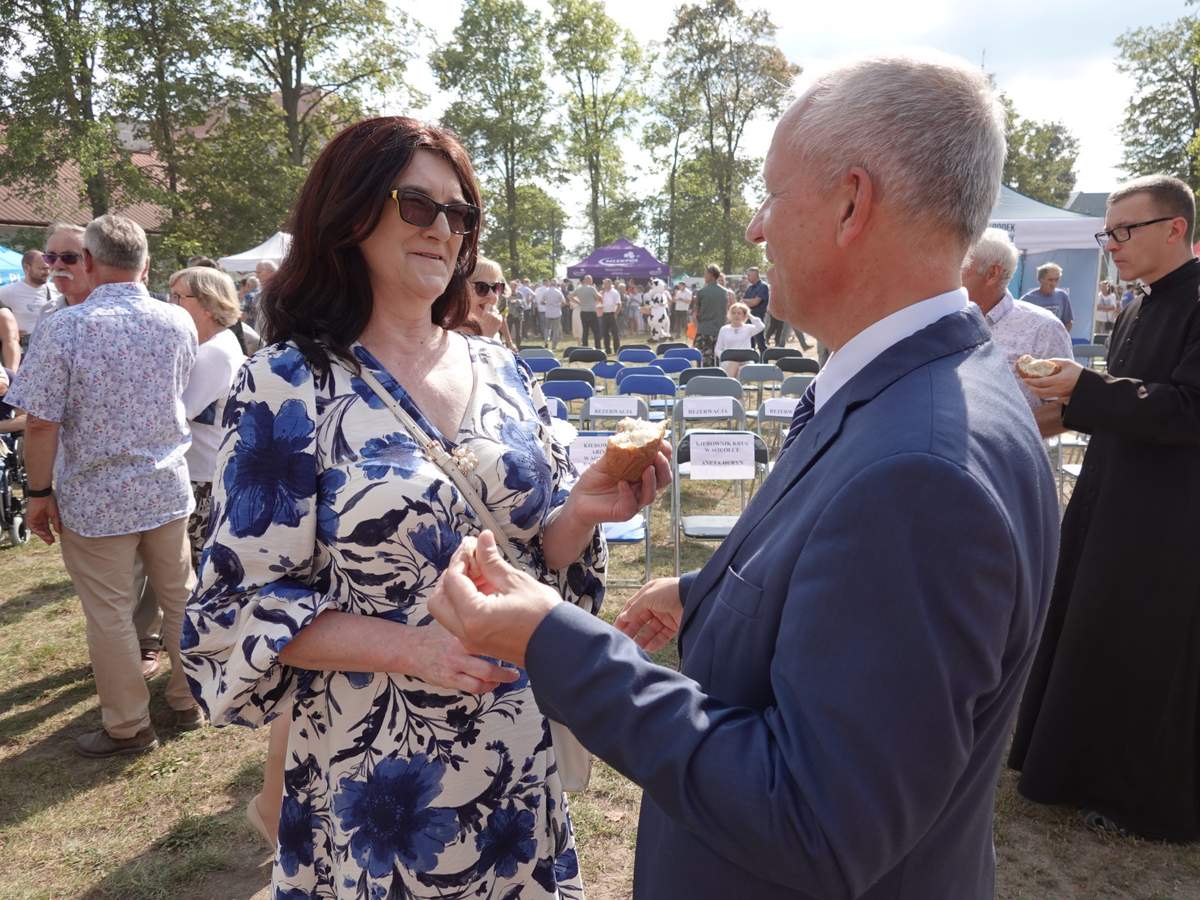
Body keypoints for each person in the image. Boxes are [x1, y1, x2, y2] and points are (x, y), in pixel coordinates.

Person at [428, 55, 1061, 900]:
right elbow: (860, 585)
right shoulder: (930, 387)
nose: (757, 231)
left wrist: (552, 639)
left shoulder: (920, 472)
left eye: (770, 196)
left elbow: (812, 820)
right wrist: (711, 591)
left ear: (851, 204)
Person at [181, 116, 666, 898]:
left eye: (460, 213)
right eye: (418, 205)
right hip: (376, 773)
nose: (443, 229)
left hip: (513, 750)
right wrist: (416, 650)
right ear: (351, 215)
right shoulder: (286, 384)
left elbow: (532, 562)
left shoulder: (503, 369)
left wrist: (580, 511)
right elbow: (242, 606)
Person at [1009, 174, 1200, 842]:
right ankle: (1071, 768)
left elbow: (1187, 408)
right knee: (1090, 627)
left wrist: (1085, 388)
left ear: (1174, 228)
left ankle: (1131, 793)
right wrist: (1038, 417)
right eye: (1107, 232)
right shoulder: (1138, 306)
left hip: (1170, 515)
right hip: (1111, 496)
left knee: (1143, 648)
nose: (1111, 244)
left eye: (1124, 230)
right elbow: (1124, 401)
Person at [5, 214, 204, 756]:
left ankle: (129, 726)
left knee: (110, 614)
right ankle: (190, 699)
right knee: (179, 597)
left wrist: (38, 494)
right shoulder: (177, 320)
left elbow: (40, 422)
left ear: (89, 261)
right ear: (145, 263)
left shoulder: (67, 327)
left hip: (97, 497)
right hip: (164, 486)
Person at [169, 267, 247, 568]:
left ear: (207, 303)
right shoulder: (219, 343)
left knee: (197, 564)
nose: (171, 303)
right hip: (207, 470)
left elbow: (178, 412)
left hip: (204, 476)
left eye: (178, 296)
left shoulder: (213, 352)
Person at [961, 227, 1074, 428]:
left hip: (1009, 449)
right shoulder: (946, 321)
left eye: (960, 265)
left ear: (992, 273)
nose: (947, 274)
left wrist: (1002, 434)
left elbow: (1067, 408)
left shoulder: (1043, 328)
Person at [0, 249, 52, 349]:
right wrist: (7, 334)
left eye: (49, 268)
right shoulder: (8, 291)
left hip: (52, 346)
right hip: (25, 349)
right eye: (43, 269)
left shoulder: (57, 289)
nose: (47, 272)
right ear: (27, 267)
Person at [466, 256, 516, 350]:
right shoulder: (448, 334)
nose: (493, 296)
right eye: (481, 287)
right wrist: (486, 336)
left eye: (497, 288)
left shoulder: (490, 327)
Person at [713, 302, 765, 377]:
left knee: (742, 368)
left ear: (744, 315)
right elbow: (718, 349)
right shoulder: (724, 329)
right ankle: (731, 382)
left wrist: (749, 315)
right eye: (733, 313)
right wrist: (724, 356)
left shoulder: (748, 328)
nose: (736, 315)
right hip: (728, 361)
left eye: (739, 313)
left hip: (746, 361)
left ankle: (731, 383)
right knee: (734, 363)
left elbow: (761, 326)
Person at [1019, 262, 1074, 332]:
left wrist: (1060, 336)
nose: (1053, 284)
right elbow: (1020, 324)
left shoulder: (1062, 296)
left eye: (1056, 280)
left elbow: (1068, 322)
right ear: (1040, 280)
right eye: (1050, 280)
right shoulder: (1027, 300)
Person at [692, 264, 727, 366]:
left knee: (703, 361)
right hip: (719, 331)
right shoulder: (724, 292)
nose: (704, 276)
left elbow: (695, 314)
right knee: (718, 361)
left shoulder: (701, 292)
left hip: (704, 330)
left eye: (705, 274)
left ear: (711, 275)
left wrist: (698, 326)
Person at [741, 267, 769, 354]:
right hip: (748, 318)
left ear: (755, 275)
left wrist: (746, 301)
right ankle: (752, 360)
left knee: (761, 343)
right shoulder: (750, 288)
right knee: (750, 344)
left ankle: (764, 360)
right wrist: (748, 301)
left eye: (749, 275)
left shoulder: (763, 286)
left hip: (758, 319)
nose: (747, 277)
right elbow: (743, 303)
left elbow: (755, 302)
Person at [571, 275, 601, 349]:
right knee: (596, 331)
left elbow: (570, 296)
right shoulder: (591, 288)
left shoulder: (578, 289)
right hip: (591, 311)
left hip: (583, 312)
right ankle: (598, 347)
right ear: (589, 280)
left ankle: (585, 347)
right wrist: (596, 301)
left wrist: (578, 302)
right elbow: (598, 297)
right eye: (591, 280)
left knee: (585, 331)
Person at [540, 277, 566, 347]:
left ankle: (546, 341)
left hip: (548, 313)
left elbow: (541, 302)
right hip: (557, 313)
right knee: (555, 329)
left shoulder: (546, 292)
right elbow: (564, 302)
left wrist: (547, 304)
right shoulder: (558, 292)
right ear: (556, 284)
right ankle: (554, 345)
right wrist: (558, 305)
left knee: (547, 328)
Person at [600, 276, 622, 354]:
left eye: (605, 283)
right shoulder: (602, 293)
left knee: (615, 333)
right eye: (604, 284)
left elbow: (619, 304)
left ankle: (617, 349)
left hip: (612, 314)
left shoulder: (615, 292)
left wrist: (616, 314)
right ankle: (608, 350)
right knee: (605, 333)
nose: (604, 285)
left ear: (610, 284)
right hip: (604, 314)